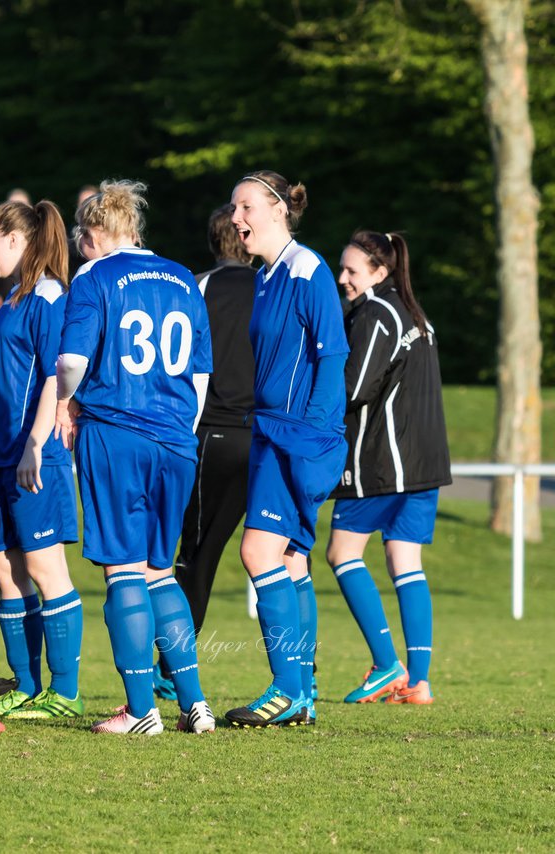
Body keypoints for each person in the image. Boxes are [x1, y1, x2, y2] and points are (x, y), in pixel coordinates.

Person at [54, 179, 215, 736]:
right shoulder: (183, 278)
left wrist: (63, 401)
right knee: (159, 571)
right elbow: (200, 375)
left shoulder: (94, 277)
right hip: (176, 439)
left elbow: (72, 359)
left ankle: (141, 708)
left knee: (123, 569)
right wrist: (178, 431)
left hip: (116, 431)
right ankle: (194, 702)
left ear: (95, 233)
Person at [224, 171, 348, 728]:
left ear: (277, 210)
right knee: (292, 558)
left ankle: (288, 688)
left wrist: (314, 437)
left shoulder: (307, 269)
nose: (235, 218)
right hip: (272, 432)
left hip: (294, 436)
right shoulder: (268, 276)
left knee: (258, 553)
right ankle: (304, 686)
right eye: (233, 208)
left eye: (245, 206)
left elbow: (333, 355)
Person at [326, 230, 450, 706]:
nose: (343, 279)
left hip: (384, 461)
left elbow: (354, 386)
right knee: (406, 563)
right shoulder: (414, 312)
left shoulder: (377, 311)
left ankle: (385, 664)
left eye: (352, 270)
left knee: (342, 554)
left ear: (380, 272)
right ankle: (418, 681)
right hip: (424, 462)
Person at [0, 199, 83, 721]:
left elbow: (54, 376)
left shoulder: (48, 295)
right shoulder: (12, 299)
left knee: (45, 567)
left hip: (31, 454)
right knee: (4, 569)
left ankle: (64, 691)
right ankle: (25, 685)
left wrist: (36, 443)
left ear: (16, 240)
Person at [171, 206, 258, 639]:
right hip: (264, 434)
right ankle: (304, 672)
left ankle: (174, 666)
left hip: (212, 433)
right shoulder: (270, 285)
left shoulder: (198, 287)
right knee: (283, 555)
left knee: (197, 553)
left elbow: (181, 362)